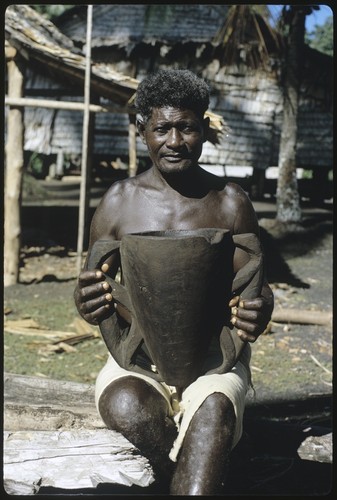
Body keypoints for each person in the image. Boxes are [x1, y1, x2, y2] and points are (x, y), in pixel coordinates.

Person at [74, 69, 274, 495]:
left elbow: (253, 285)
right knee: (125, 404)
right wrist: (87, 301)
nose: (175, 141)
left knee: (215, 410)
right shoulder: (118, 202)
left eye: (187, 127)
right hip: (137, 359)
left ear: (204, 128)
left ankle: (205, 465)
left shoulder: (230, 202)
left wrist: (261, 308)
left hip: (214, 359)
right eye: (162, 128)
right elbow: (92, 283)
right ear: (142, 129)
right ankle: (217, 472)